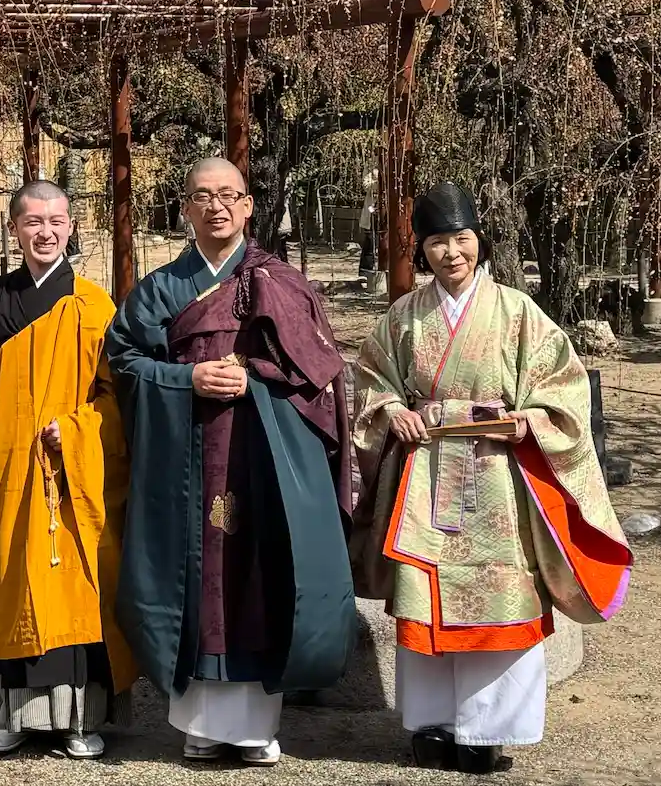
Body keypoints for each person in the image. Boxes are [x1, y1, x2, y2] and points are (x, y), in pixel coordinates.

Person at [351, 181, 631, 774]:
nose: (451, 253)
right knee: (425, 596)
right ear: (421, 249)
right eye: (437, 242)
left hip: (496, 475)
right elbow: (372, 381)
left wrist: (531, 419)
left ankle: (487, 730)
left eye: (461, 238)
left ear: (479, 239)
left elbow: (563, 386)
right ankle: (430, 725)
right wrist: (392, 410)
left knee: (502, 599)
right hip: (425, 473)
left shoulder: (517, 311)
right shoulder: (403, 316)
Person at [104, 156, 355, 768]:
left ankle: (256, 727)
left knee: (260, 575)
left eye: (227, 195)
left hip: (263, 458)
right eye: (202, 196)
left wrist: (257, 379)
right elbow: (124, 361)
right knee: (195, 580)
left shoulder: (283, 284)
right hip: (186, 458)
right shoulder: (162, 288)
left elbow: (318, 376)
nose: (215, 206)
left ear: (247, 206)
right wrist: (186, 378)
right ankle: (199, 726)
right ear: (185, 209)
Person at [0, 181, 135, 760]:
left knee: (74, 593)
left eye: (56, 221)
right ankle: (14, 716)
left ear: (71, 227)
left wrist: (78, 427)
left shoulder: (94, 307)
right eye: (33, 222)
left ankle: (80, 721)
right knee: (12, 589)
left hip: (69, 477)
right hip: (8, 476)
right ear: (14, 229)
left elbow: (116, 397)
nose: (45, 232)